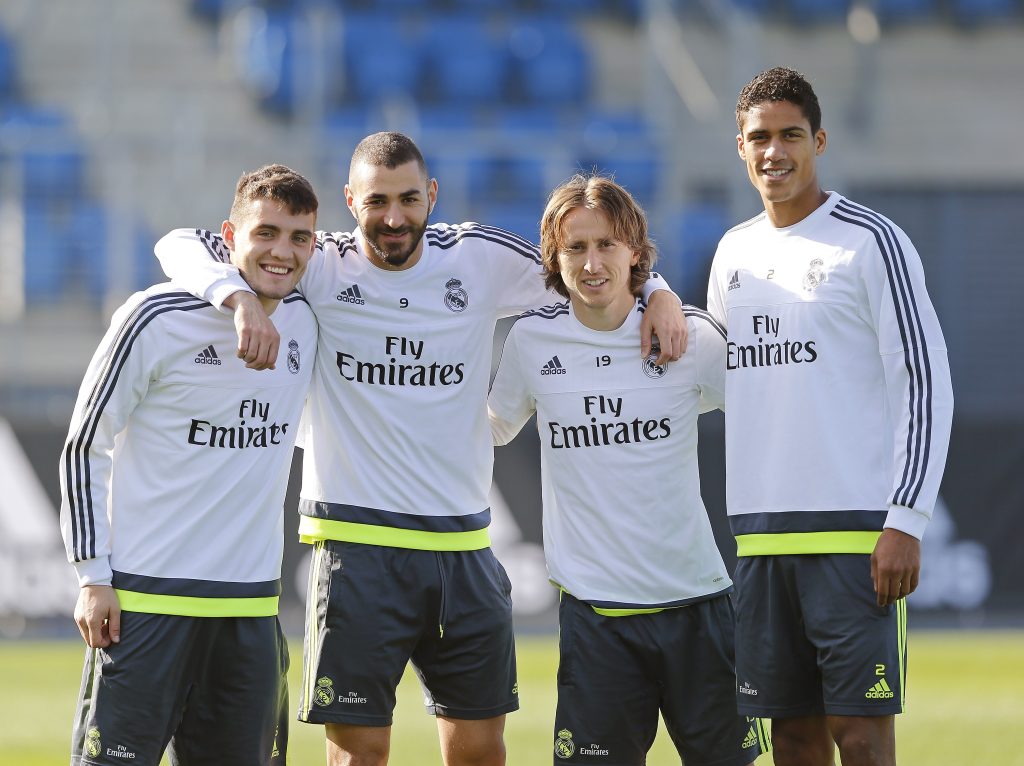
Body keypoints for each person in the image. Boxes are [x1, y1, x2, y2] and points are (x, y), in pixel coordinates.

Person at [152, 132, 686, 766]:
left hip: (463, 551)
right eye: (377, 201)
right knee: (358, 755)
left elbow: (585, 269)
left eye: (409, 198)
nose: (395, 217)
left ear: (431, 194)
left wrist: (658, 293)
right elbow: (177, 243)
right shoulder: (318, 261)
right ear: (351, 201)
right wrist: (237, 298)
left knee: (481, 753)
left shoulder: (478, 258)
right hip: (356, 549)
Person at [706, 67, 954, 766]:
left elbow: (925, 381)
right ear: (740, 146)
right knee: (790, 738)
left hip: (854, 536)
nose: (773, 152)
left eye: (790, 135)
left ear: (819, 140)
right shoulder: (733, 252)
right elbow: (720, 376)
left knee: (861, 736)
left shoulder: (871, 242)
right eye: (759, 137)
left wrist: (906, 518)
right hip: (759, 541)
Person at [488, 174, 767, 766]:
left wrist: (669, 299)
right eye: (576, 248)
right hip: (596, 620)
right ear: (554, 258)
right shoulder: (531, 342)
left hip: (698, 609)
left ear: (635, 252)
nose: (592, 263)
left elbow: (767, 409)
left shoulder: (686, 338)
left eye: (607, 245)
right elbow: (492, 426)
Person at [59, 164, 319, 766]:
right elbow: (84, 444)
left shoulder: (309, 315)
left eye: (298, 238)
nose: (282, 252)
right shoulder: (154, 317)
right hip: (146, 605)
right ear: (229, 237)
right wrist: (92, 577)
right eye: (266, 234)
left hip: (250, 612)